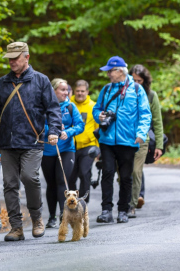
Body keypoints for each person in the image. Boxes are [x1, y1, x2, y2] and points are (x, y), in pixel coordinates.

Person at [0, 42, 62, 242]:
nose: (11, 61)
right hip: (8, 142)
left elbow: (53, 109)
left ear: (26, 57)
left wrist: (54, 131)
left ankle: (37, 219)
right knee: (9, 184)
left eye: (15, 58)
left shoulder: (41, 80)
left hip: (33, 141)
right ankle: (16, 227)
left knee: (30, 177)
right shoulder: (2, 83)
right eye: (9, 58)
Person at [93, 56, 151, 224]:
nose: (108, 74)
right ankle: (106, 211)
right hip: (107, 140)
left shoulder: (137, 89)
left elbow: (145, 114)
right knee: (107, 173)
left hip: (128, 141)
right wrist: (99, 115)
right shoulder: (106, 89)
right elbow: (96, 109)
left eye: (110, 71)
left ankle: (123, 210)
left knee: (126, 177)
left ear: (120, 71)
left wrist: (140, 133)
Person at [42, 78, 84, 228]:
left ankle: (63, 215)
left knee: (61, 181)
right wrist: (52, 131)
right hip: (47, 151)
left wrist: (68, 131)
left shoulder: (71, 107)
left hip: (66, 150)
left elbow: (80, 126)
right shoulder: (43, 106)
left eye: (67, 90)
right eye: (62, 90)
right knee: (51, 183)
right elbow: (37, 127)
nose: (66, 93)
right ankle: (51, 217)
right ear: (53, 91)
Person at [128, 64, 164, 217]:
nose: (136, 83)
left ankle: (133, 202)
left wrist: (160, 145)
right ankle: (130, 198)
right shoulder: (125, 93)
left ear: (145, 81)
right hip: (125, 138)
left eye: (139, 80)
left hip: (142, 138)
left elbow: (157, 121)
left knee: (136, 170)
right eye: (134, 80)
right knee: (125, 172)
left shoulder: (151, 95)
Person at [69, 80, 99, 204]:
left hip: (89, 145)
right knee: (71, 175)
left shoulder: (93, 106)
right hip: (71, 146)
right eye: (78, 91)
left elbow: (98, 128)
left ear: (87, 92)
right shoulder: (69, 104)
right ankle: (71, 201)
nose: (80, 93)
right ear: (74, 91)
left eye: (83, 91)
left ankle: (83, 202)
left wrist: (98, 149)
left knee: (84, 172)